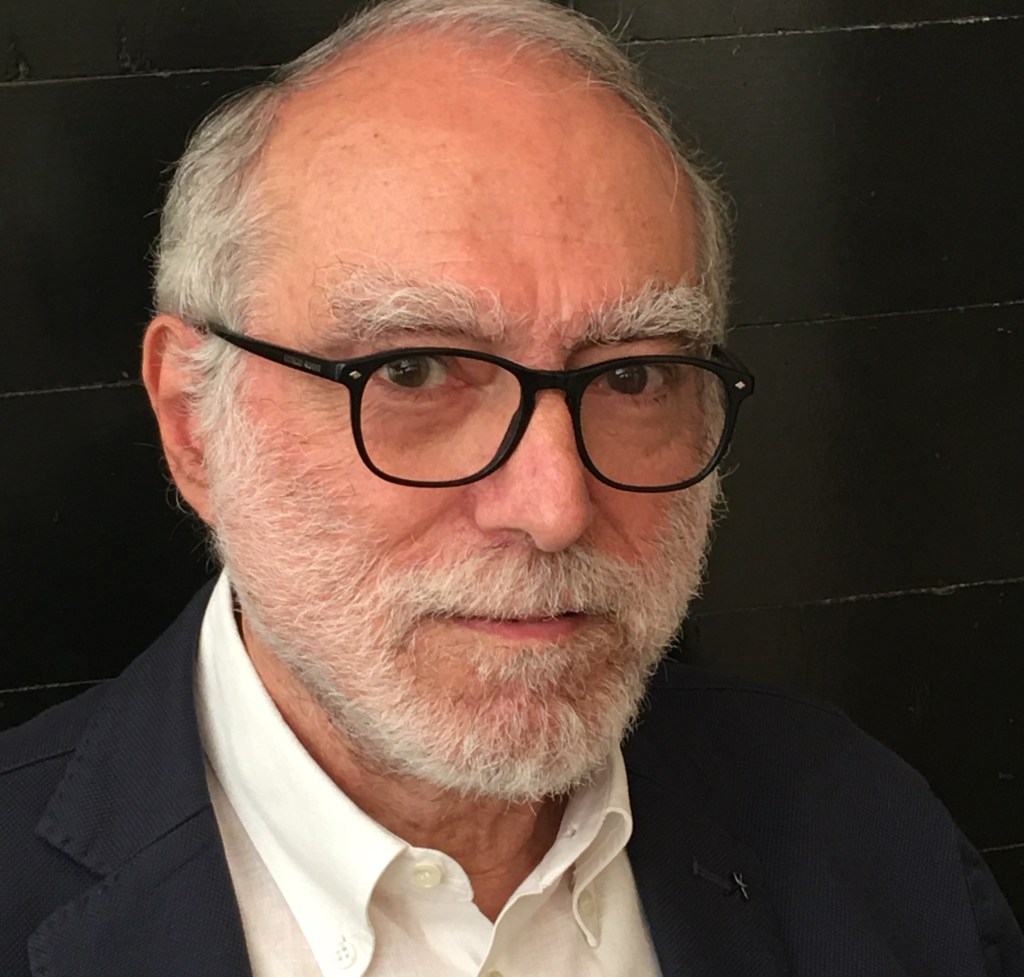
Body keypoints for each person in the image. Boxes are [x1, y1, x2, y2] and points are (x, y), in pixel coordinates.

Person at [1, 1, 1019, 974]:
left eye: (632, 375)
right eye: (412, 371)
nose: (553, 507)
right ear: (192, 421)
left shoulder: (867, 838)